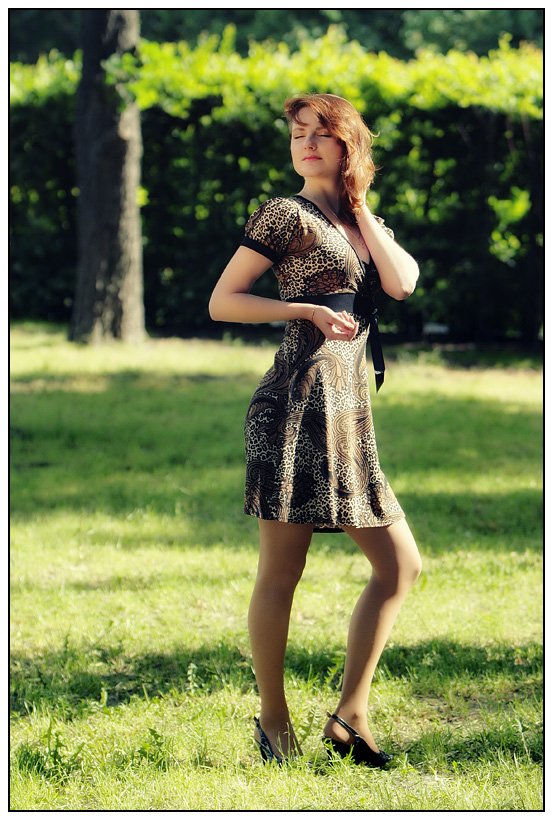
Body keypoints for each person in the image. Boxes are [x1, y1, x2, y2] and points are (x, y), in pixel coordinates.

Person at [209, 93, 422, 767]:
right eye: (297, 134)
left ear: (347, 144)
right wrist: (301, 307)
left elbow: (402, 284)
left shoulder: (361, 220)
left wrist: (360, 207)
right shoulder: (284, 214)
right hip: (294, 407)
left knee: (399, 567)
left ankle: (349, 716)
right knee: (282, 570)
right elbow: (222, 301)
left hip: (348, 416)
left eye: (319, 134)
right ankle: (273, 722)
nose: (304, 144)